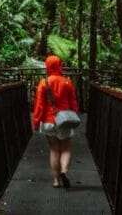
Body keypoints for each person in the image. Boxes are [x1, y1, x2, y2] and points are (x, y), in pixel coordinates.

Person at [31, 54, 79, 188]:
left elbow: (39, 106)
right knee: (66, 148)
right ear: (60, 66)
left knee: (54, 149)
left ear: (47, 66)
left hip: (48, 121)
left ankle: (56, 181)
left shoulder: (43, 83)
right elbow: (74, 103)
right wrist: (75, 116)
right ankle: (64, 171)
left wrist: (36, 122)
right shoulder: (68, 82)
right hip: (64, 121)